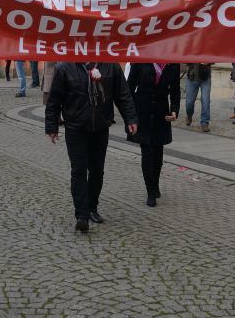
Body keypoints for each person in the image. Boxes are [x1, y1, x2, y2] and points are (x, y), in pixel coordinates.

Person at [45, 62, 138, 232]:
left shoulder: (111, 66)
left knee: (97, 170)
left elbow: (123, 95)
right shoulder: (65, 67)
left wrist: (130, 118)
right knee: (79, 169)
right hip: (75, 127)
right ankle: (82, 215)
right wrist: (52, 126)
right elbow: (55, 99)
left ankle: (92, 207)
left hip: (100, 127)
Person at [126, 62, 179, 207]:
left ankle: (155, 184)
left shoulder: (173, 63)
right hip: (142, 111)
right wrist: (130, 115)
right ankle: (150, 192)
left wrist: (174, 110)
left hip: (161, 114)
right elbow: (129, 87)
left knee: (158, 155)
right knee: (147, 153)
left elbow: (175, 90)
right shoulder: (142, 59)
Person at [183, 62, 212, 132]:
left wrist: (208, 62)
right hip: (192, 77)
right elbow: (184, 59)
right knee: (189, 102)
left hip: (205, 77)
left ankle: (205, 122)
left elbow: (214, 58)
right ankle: (189, 116)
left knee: (205, 100)